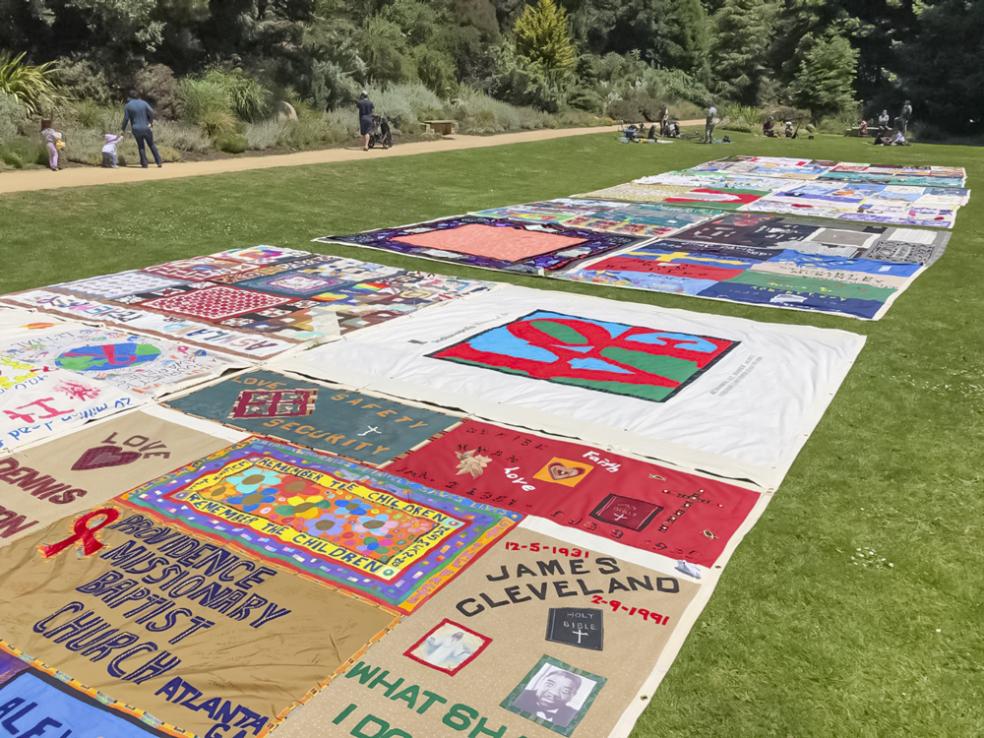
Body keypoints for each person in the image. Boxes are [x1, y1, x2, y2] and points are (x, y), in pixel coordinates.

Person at [511, 669, 583, 728]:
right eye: (549, 684)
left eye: (565, 691)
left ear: (573, 695)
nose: (554, 693)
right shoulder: (517, 695)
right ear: (541, 683)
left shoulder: (573, 717)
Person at [121, 92, 162, 168]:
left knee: (141, 146)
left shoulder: (128, 106)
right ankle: (158, 161)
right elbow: (151, 112)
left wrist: (122, 129)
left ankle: (144, 163)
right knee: (151, 144)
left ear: (129, 98)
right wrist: (150, 122)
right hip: (146, 127)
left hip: (136, 128)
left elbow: (126, 119)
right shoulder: (143, 103)